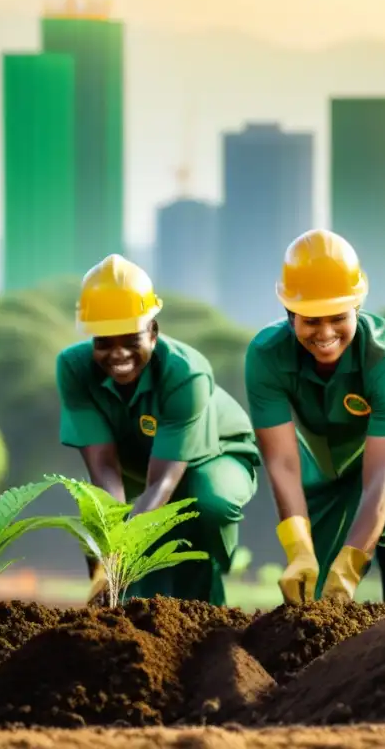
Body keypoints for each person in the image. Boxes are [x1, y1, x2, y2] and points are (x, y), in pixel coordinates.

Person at [244, 229, 385, 605]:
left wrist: (352, 563)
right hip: (327, 448)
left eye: (337, 318)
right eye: (311, 321)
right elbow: (284, 463)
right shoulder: (265, 356)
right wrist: (298, 548)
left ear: (358, 307)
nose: (325, 333)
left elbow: (381, 476)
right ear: (289, 315)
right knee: (312, 597)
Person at [56, 254, 262, 606]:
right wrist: (108, 549)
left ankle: (220, 562)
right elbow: (104, 466)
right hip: (136, 457)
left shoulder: (186, 373)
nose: (117, 353)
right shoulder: (73, 368)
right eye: (104, 341)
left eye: (130, 338)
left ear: (153, 331)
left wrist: (121, 553)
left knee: (208, 502)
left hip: (214, 454)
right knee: (100, 516)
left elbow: (163, 482)